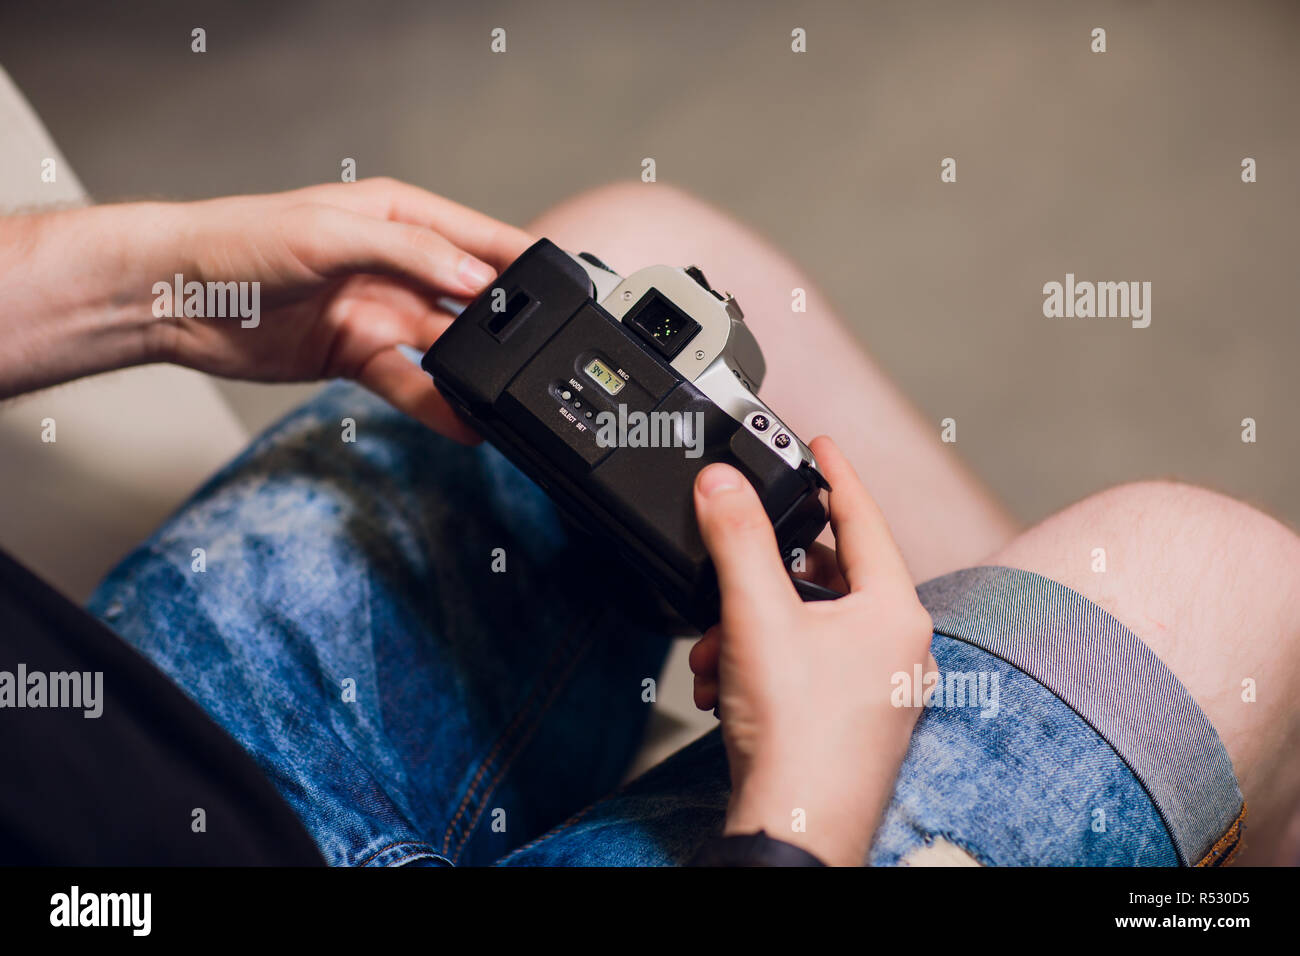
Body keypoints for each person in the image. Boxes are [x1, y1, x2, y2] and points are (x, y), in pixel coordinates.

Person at [0, 178, 1295, 866]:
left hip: (118, 757)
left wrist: (134, 287)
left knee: (624, 251)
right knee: (1218, 583)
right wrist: (801, 822)